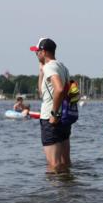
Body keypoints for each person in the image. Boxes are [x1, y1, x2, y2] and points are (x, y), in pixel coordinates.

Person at [31, 37, 73, 172]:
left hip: (52, 120)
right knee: (65, 162)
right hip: (64, 118)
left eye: (37, 51)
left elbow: (59, 89)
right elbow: (42, 93)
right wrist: (41, 71)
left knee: (53, 164)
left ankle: (53, 186)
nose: (36, 54)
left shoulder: (50, 67)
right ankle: (67, 184)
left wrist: (53, 114)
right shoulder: (62, 67)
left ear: (44, 52)